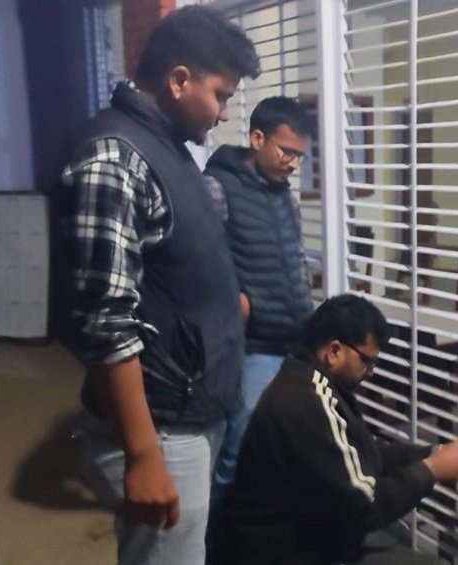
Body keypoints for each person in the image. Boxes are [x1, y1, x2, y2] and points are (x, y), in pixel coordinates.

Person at [54, 6, 260, 565]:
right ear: (179, 80)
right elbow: (106, 321)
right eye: (220, 95)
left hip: (192, 408)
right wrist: (144, 455)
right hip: (164, 428)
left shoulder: (168, 148)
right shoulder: (115, 157)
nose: (224, 112)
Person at [213, 294, 458, 564]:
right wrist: (431, 470)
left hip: (308, 536)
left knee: (398, 540)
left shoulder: (308, 378)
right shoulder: (306, 401)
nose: (371, 372)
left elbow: (366, 453)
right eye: (367, 361)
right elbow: (365, 506)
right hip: (280, 553)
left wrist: (435, 453)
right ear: (334, 351)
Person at [201, 96, 315, 548]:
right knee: (236, 450)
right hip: (253, 346)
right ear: (257, 138)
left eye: (300, 155)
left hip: (296, 340)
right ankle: (210, 546)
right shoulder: (217, 187)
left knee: (292, 445)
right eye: (286, 151)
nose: (293, 163)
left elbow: (296, 261)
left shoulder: (283, 195)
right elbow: (203, 262)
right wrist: (235, 302)